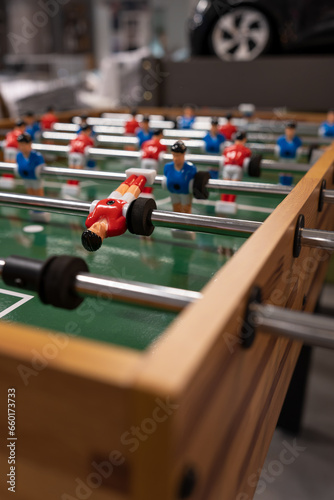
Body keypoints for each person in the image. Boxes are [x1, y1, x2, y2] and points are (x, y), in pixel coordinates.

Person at [81, 171, 155, 252]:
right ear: (101, 237)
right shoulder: (115, 229)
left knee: (123, 186)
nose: (93, 226)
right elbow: (123, 219)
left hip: (109, 199)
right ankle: (142, 177)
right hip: (124, 202)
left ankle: (133, 176)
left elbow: (93, 211)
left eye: (90, 229)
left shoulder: (89, 222)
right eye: (95, 231)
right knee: (133, 189)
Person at [16, 133, 50, 222]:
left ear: (30, 144)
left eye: (24, 144)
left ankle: (41, 211)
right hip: (26, 178)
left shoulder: (37, 156)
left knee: (38, 194)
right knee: (30, 193)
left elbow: (40, 169)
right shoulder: (19, 156)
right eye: (20, 145)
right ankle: (34, 209)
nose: (22, 147)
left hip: (36, 179)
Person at [216, 131, 251, 214]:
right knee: (233, 188)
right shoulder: (246, 150)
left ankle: (222, 205)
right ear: (244, 139)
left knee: (225, 187)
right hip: (237, 168)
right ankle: (230, 205)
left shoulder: (228, 148)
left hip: (227, 167)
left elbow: (224, 156)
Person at [163, 141, 197, 214]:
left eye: (178, 155)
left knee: (186, 210)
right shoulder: (168, 167)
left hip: (185, 193)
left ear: (183, 154)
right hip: (173, 192)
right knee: (176, 210)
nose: (175, 158)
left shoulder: (191, 169)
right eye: (174, 155)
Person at [62, 124, 95, 197]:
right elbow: (91, 145)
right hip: (80, 155)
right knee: (77, 173)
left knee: (71, 171)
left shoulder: (75, 137)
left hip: (72, 154)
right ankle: (74, 188)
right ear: (88, 131)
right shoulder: (88, 138)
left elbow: (70, 144)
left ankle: (69, 187)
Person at [140, 129, 167, 198]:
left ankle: (141, 191)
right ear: (160, 135)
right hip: (154, 161)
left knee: (143, 177)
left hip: (144, 160)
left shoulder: (146, 143)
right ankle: (148, 193)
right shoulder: (162, 145)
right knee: (152, 178)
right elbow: (162, 156)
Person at [1, 120, 27, 189]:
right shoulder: (21, 133)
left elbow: (5, 142)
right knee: (12, 165)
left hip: (7, 150)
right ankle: (9, 183)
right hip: (14, 150)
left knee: (7, 165)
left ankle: (6, 181)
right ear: (22, 126)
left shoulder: (10, 132)